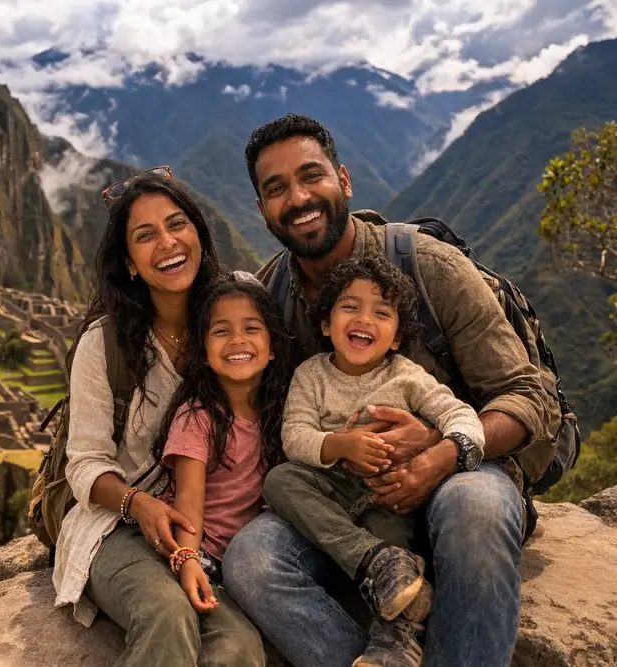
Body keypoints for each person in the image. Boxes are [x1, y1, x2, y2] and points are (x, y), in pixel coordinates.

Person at [221, 114, 558, 667]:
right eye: (276, 188)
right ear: (262, 209)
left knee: (476, 510)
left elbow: (530, 395)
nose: (299, 198)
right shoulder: (271, 300)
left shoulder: (430, 268)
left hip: (463, 475)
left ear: (344, 180)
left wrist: (443, 450)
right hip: (345, 500)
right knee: (252, 560)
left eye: (312, 176)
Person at [52, 166, 265, 667]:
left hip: (205, 530)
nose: (167, 243)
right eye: (145, 236)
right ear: (128, 262)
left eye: (177, 225)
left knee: (238, 649)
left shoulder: (233, 315)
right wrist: (139, 504)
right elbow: (83, 464)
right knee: (166, 613)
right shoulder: (104, 346)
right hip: (118, 525)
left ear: (198, 231)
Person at [266, 255, 486, 667]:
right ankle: (376, 560)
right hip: (329, 489)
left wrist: (449, 450)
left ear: (397, 337)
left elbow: (462, 416)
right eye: (350, 306)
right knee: (280, 480)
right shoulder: (311, 375)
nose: (364, 318)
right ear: (326, 324)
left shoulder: (407, 377)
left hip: (391, 492)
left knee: (393, 533)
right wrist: (340, 445)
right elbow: (294, 437)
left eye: (381, 312)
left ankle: (395, 643)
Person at [151, 271, 292, 614]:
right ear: (202, 350)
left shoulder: (282, 412)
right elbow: (188, 500)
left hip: (251, 552)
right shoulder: (197, 417)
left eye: (251, 328)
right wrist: (187, 559)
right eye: (221, 331)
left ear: (273, 348)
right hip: (204, 551)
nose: (237, 340)